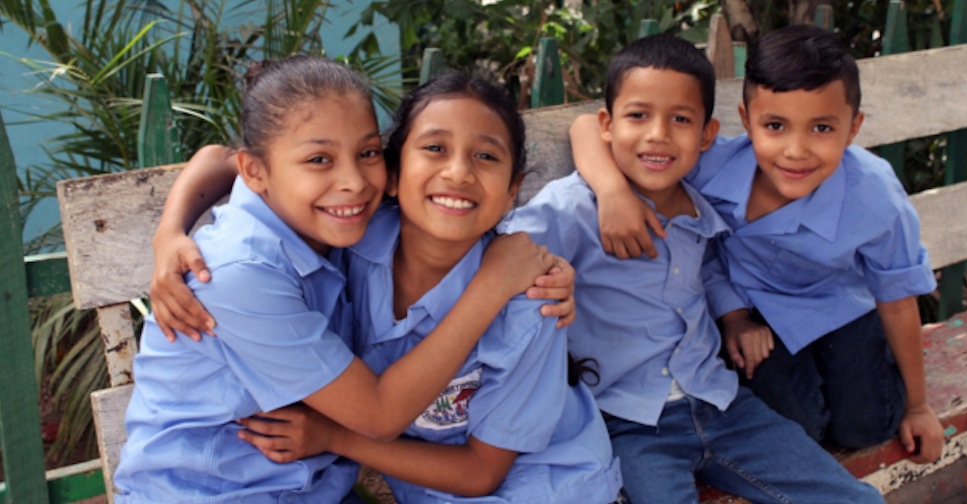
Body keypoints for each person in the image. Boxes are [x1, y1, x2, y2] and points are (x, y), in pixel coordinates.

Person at [116, 56, 574, 503]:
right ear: (256, 172)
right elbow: (377, 415)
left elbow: (216, 158)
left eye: (368, 153)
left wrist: (170, 228)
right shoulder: (238, 273)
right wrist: (493, 284)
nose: (354, 181)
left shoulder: (320, 221)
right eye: (319, 158)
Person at [505, 34, 886, 503]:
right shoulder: (575, 208)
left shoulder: (701, 211)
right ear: (608, 124)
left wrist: (734, 317)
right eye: (638, 115)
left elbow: (704, 271)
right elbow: (501, 250)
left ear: (707, 135)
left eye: (680, 119)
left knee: (853, 498)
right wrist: (604, 198)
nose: (658, 134)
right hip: (628, 423)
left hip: (724, 405)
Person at [224, 74, 624, 503]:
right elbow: (232, 162)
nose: (458, 172)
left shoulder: (531, 303)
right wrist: (171, 233)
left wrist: (333, 437)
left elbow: (481, 474)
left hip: (545, 489)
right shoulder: (349, 244)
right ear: (391, 175)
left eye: (486, 155)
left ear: (511, 192)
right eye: (435, 148)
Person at [568, 25, 945, 462]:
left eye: (821, 127)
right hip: (755, 317)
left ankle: (871, 371)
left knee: (864, 427)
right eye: (776, 126)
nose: (796, 150)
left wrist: (918, 407)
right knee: (800, 431)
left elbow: (897, 299)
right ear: (747, 121)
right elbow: (585, 127)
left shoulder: (875, 195)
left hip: (843, 309)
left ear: (853, 127)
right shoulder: (708, 165)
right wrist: (613, 191)